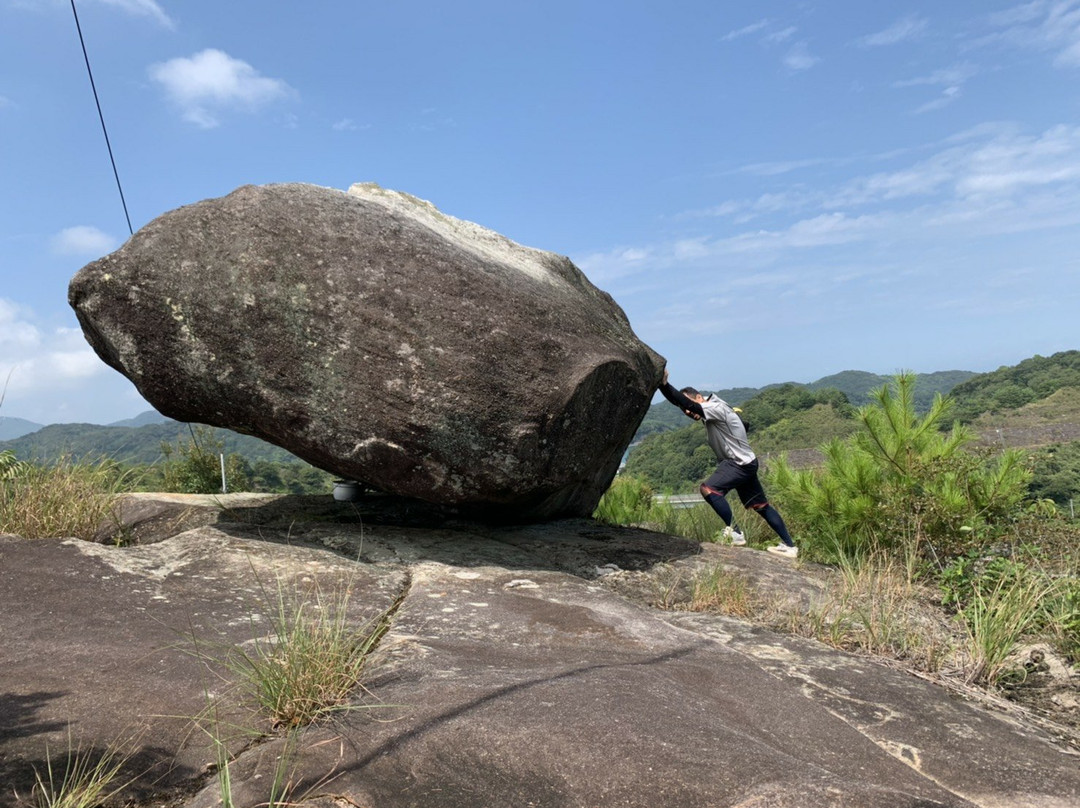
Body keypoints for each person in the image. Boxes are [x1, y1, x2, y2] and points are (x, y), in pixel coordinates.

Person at [658, 369, 798, 559]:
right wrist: (661, 386)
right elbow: (680, 402)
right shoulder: (717, 408)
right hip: (746, 462)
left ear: (699, 397)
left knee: (709, 489)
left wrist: (664, 385)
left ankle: (736, 532)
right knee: (761, 506)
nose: (688, 412)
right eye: (685, 411)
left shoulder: (715, 407)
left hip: (738, 463)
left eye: (690, 406)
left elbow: (684, 402)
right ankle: (790, 546)